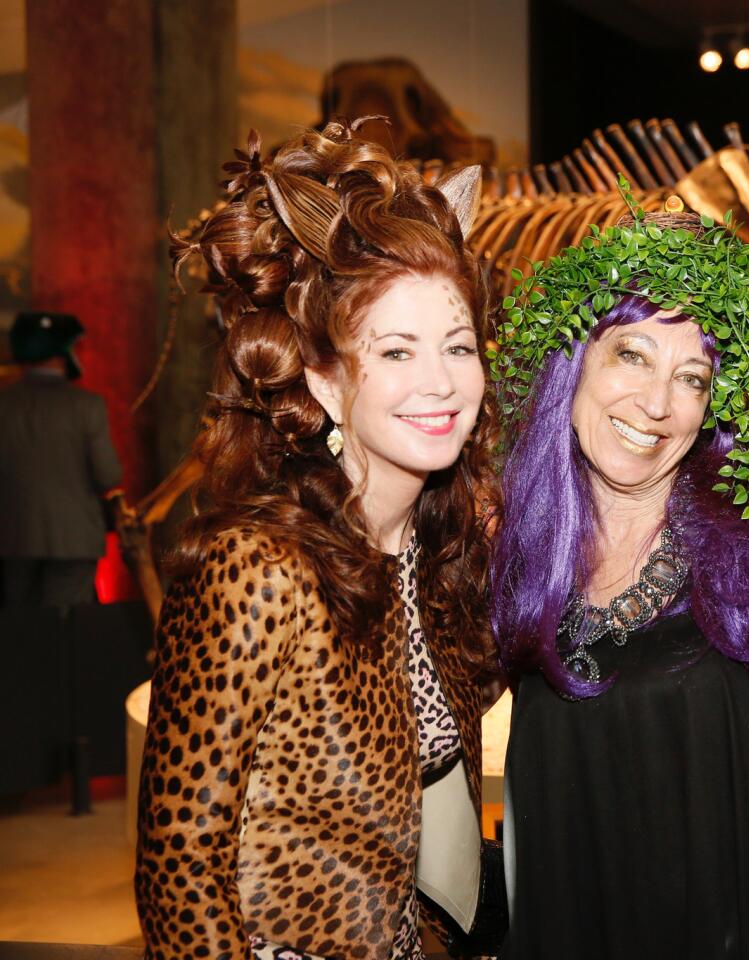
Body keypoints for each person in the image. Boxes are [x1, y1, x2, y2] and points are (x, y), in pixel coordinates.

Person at [134, 124, 505, 959]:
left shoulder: (440, 555)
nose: (440, 382)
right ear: (326, 381)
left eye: (457, 347)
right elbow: (178, 871)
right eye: (397, 352)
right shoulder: (256, 566)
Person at [489, 195, 749, 959]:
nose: (657, 405)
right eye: (632, 355)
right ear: (575, 356)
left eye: (692, 377)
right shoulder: (508, 538)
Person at [0, 311, 122, 608]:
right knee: (67, 636)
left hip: (11, 537)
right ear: (63, 353)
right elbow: (108, 476)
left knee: (17, 632)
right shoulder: (87, 406)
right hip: (74, 540)